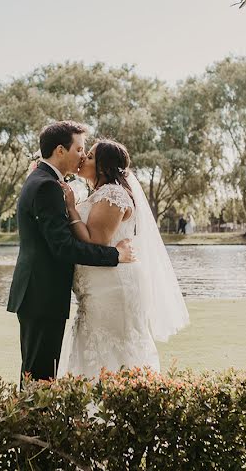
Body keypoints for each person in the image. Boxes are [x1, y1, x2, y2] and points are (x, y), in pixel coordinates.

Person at [6, 121, 136, 385]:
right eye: (79, 149)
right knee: (39, 376)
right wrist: (115, 256)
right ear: (60, 151)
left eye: (86, 152)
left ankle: (32, 425)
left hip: (40, 293)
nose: (82, 156)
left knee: (37, 373)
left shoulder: (45, 180)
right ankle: (32, 427)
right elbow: (63, 247)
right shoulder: (46, 185)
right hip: (42, 294)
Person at [57, 139, 189, 377]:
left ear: (104, 166)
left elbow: (95, 240)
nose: (84, 158)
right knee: (94, 348)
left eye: (90, 156)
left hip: (113, 286)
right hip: (98, 287)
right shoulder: (98, 194)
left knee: (115, 349)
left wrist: (71, 208)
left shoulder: (113, 194)